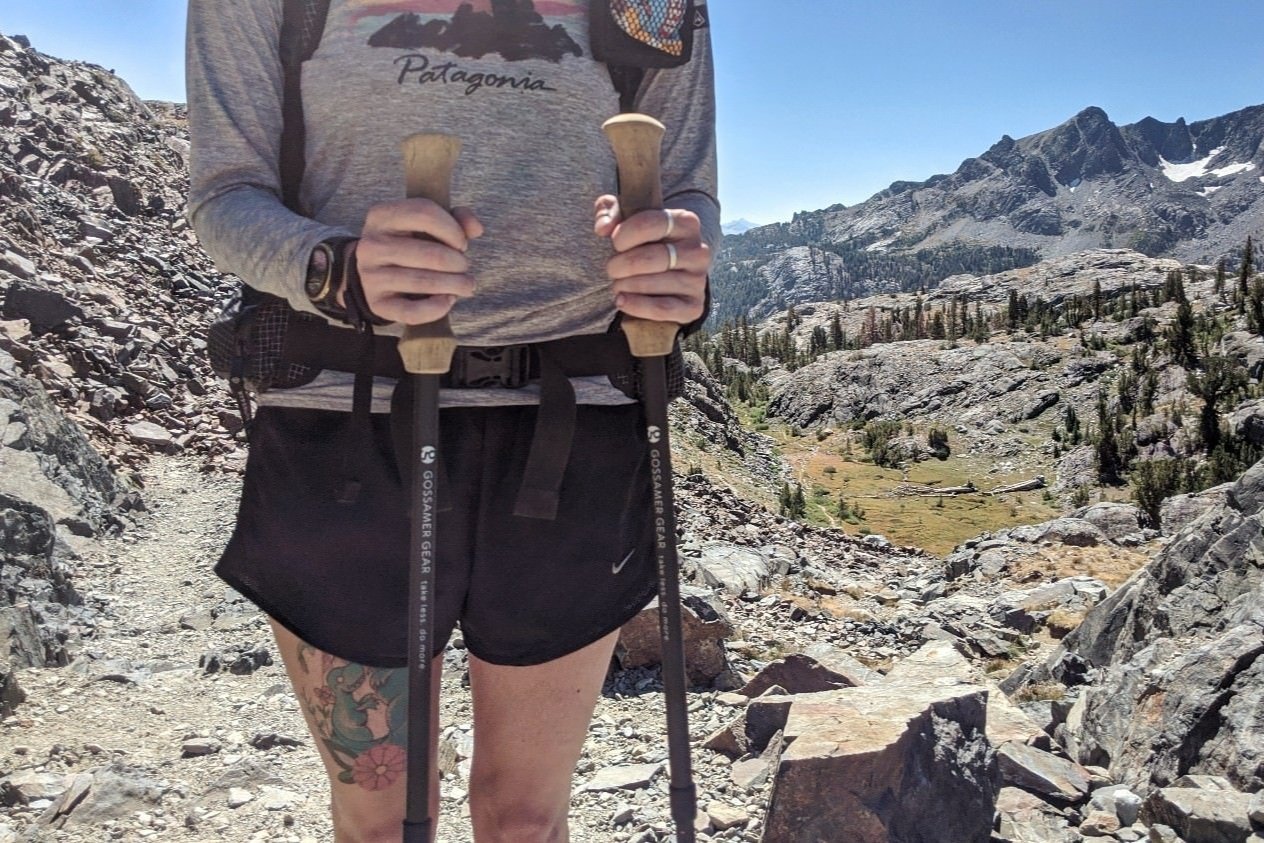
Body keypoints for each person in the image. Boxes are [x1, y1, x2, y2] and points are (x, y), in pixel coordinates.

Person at [184, 1, 717, 841]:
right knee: (382, 815)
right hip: (345, 418)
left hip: (578, 419)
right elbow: (225, 195)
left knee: (525, 818)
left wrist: (681, 257)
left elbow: (687, 188)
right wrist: (334, 268)